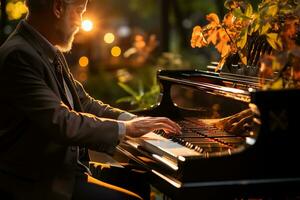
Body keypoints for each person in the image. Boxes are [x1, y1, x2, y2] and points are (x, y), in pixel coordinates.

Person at [0, 0, 181, 199]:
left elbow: (84, 103)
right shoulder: (19, 55)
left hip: (66, 169)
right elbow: (62, 122)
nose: (81, 20)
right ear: (58, 8)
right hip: (40, 180)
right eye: (79, 11)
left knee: (139, 180)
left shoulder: (46, 49)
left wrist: (131, 120)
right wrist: (126, 129)